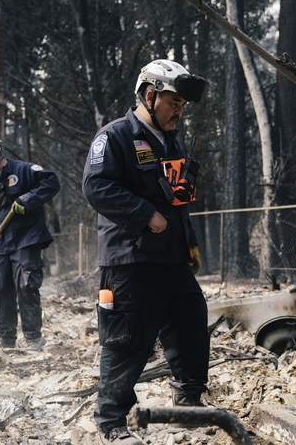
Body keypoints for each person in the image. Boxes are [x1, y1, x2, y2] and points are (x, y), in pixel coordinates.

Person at [82, 59, 209, 445]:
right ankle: (110, 421)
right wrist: (145, 214)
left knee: (191, 323)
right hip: (130, 261)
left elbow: (174, 195)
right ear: (150, 95)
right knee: (128, 339)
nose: (179, 110)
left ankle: (188, 403)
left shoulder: (172, 139)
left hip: (172, 258)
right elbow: (96, 187)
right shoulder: (116, 136)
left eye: (183, 105)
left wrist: (189, 241)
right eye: (174, 102)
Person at [0, 135, 60, 351]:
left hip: (27, 240)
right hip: (2, 247)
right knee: (3, 291)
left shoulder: (24, 170)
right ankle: (6, 341)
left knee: (27, 288)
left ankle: (33, 340)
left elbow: (52, 182)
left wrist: (27, 200)